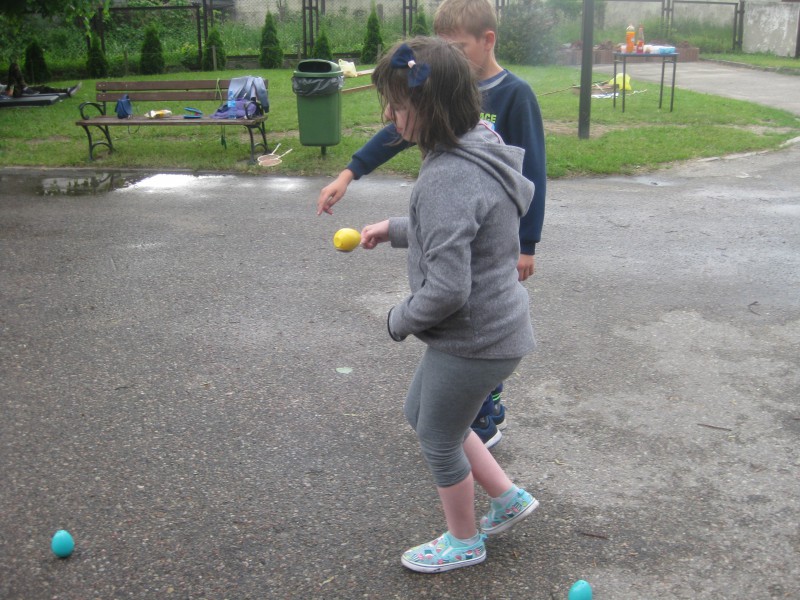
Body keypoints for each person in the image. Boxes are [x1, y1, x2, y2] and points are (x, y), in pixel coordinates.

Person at [316, 0, 546, 449]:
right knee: (477, 344)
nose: (390, 114)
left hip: (489, 275)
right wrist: (351, 174)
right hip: (476, 263)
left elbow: (530, 173)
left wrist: (528, 244)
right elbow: (397, 133)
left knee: (478, 343)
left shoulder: (509, 98)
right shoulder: (437, 106)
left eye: (455, 48)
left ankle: (481, 421)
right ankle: (479, 427)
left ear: (487, 40)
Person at [358, 36, 539, 573]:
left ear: (429, 109)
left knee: (438, 437)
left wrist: (399, 320)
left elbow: (446, 290)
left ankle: (464, 542)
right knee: (422, 415)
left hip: (473, 339)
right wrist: (394, 229)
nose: (388, 117)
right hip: (495, 330)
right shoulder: (476, 144)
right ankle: (507, 498)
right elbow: (461, 228)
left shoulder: (446, 176)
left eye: (397, 106)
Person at [1, 62, 81, 98]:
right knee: (13, 65)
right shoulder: (11, 85)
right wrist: (7, 91)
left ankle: (67, 90)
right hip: (16, 91)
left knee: (43, 88)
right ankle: (67, 90)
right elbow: (8, 93)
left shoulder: (11, 83)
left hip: (19, 89)